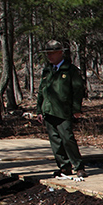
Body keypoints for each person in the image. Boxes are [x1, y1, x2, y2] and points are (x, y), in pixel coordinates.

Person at [36, 40, 86, 179]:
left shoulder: (70, 70)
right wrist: (39, 110)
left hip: (63, 111)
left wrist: (76, 109)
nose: (49, 56)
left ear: (60, 53)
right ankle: (64, 167)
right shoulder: (47, 71)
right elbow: (42, 91)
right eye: (47, 54)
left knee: (67, 139)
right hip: (49, 110)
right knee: (55, 142)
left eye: (52, 53)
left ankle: (78, 166)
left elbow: (77, 90)